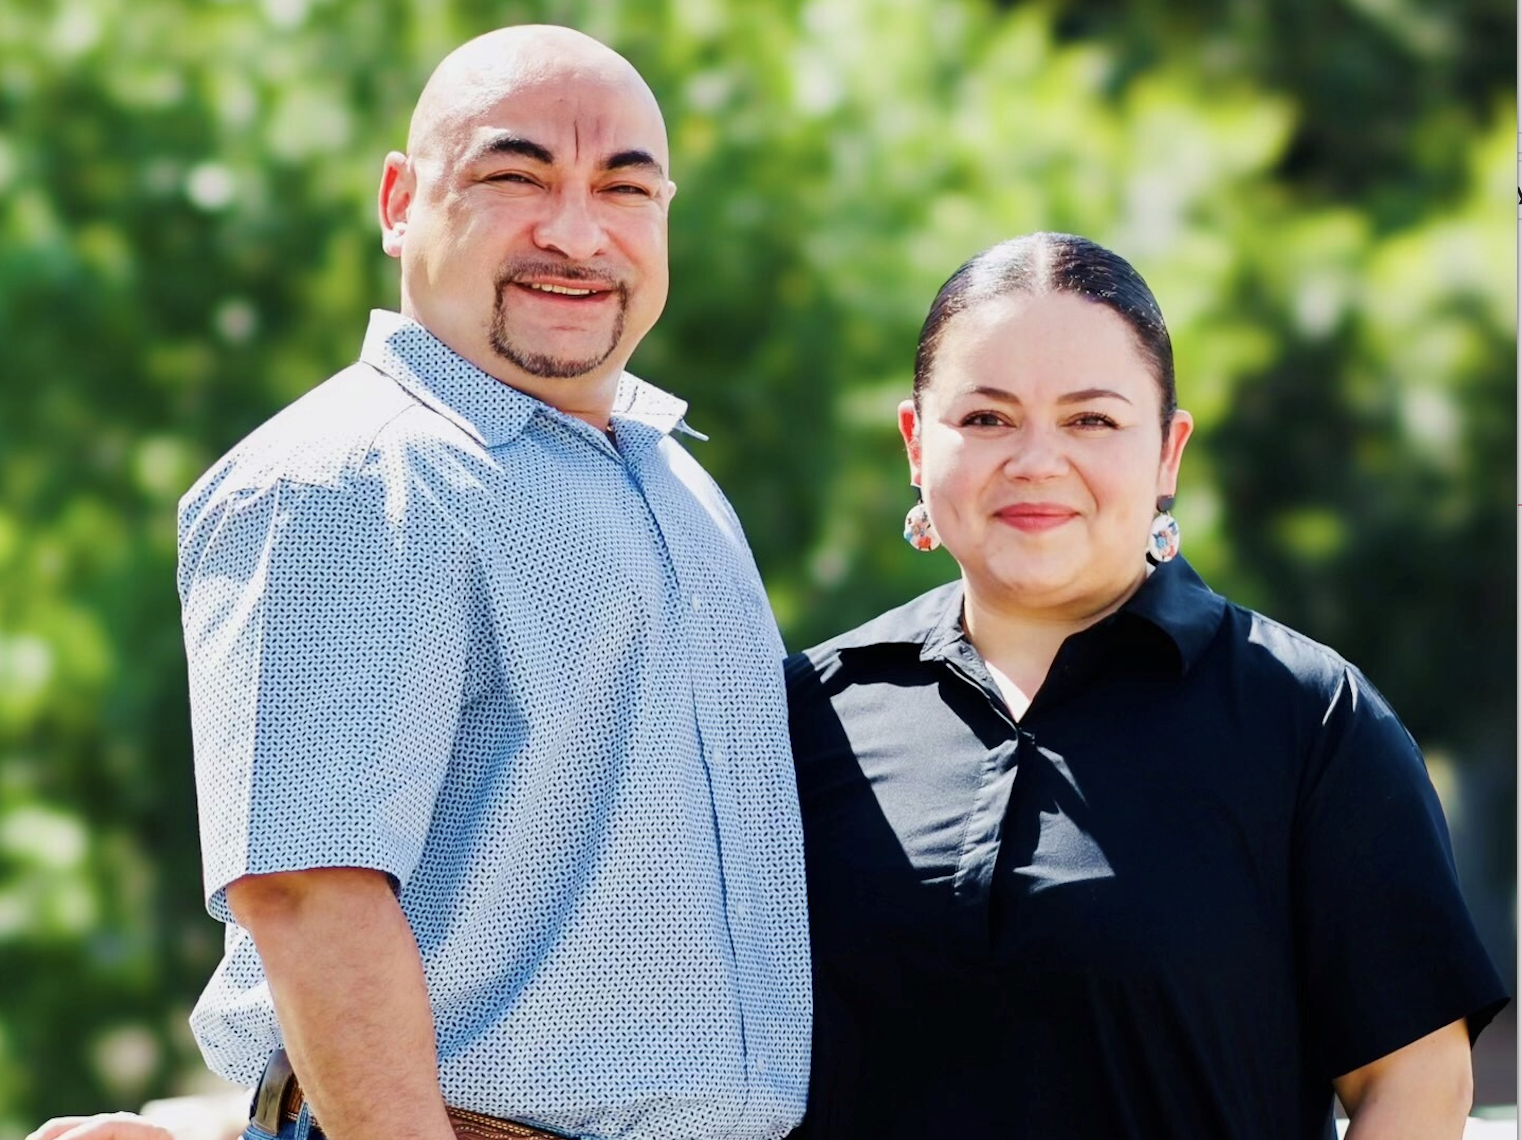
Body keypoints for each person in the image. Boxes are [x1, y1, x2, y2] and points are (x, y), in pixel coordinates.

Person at [31, 24, 810, 1140]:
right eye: (515, 175)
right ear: (399, 200)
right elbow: (306, 892)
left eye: (624, 190)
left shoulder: (676, 482)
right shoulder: (349, 479)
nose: (578, 232)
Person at [785, 231, 1508, 1139]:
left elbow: (1415, 1087)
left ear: (1168, 452)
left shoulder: (1309, 721)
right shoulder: (806, 716)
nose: (1037, 461)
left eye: (1091, 420)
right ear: (914, 442)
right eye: (985, 418)